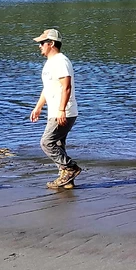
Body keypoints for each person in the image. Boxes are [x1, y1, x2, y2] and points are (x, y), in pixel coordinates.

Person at [29, 29, 82, 188]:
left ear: (51, 44)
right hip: (56, 111)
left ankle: (70, 168)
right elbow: (48, 88)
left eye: (42, 43)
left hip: (64, 111)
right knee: (58, 145)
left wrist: (61, 110)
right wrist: (38, 107)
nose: (39, 46)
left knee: (47, 142)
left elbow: (67, 87)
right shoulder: (50, 63)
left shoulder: (60, 61)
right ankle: (67, 180)